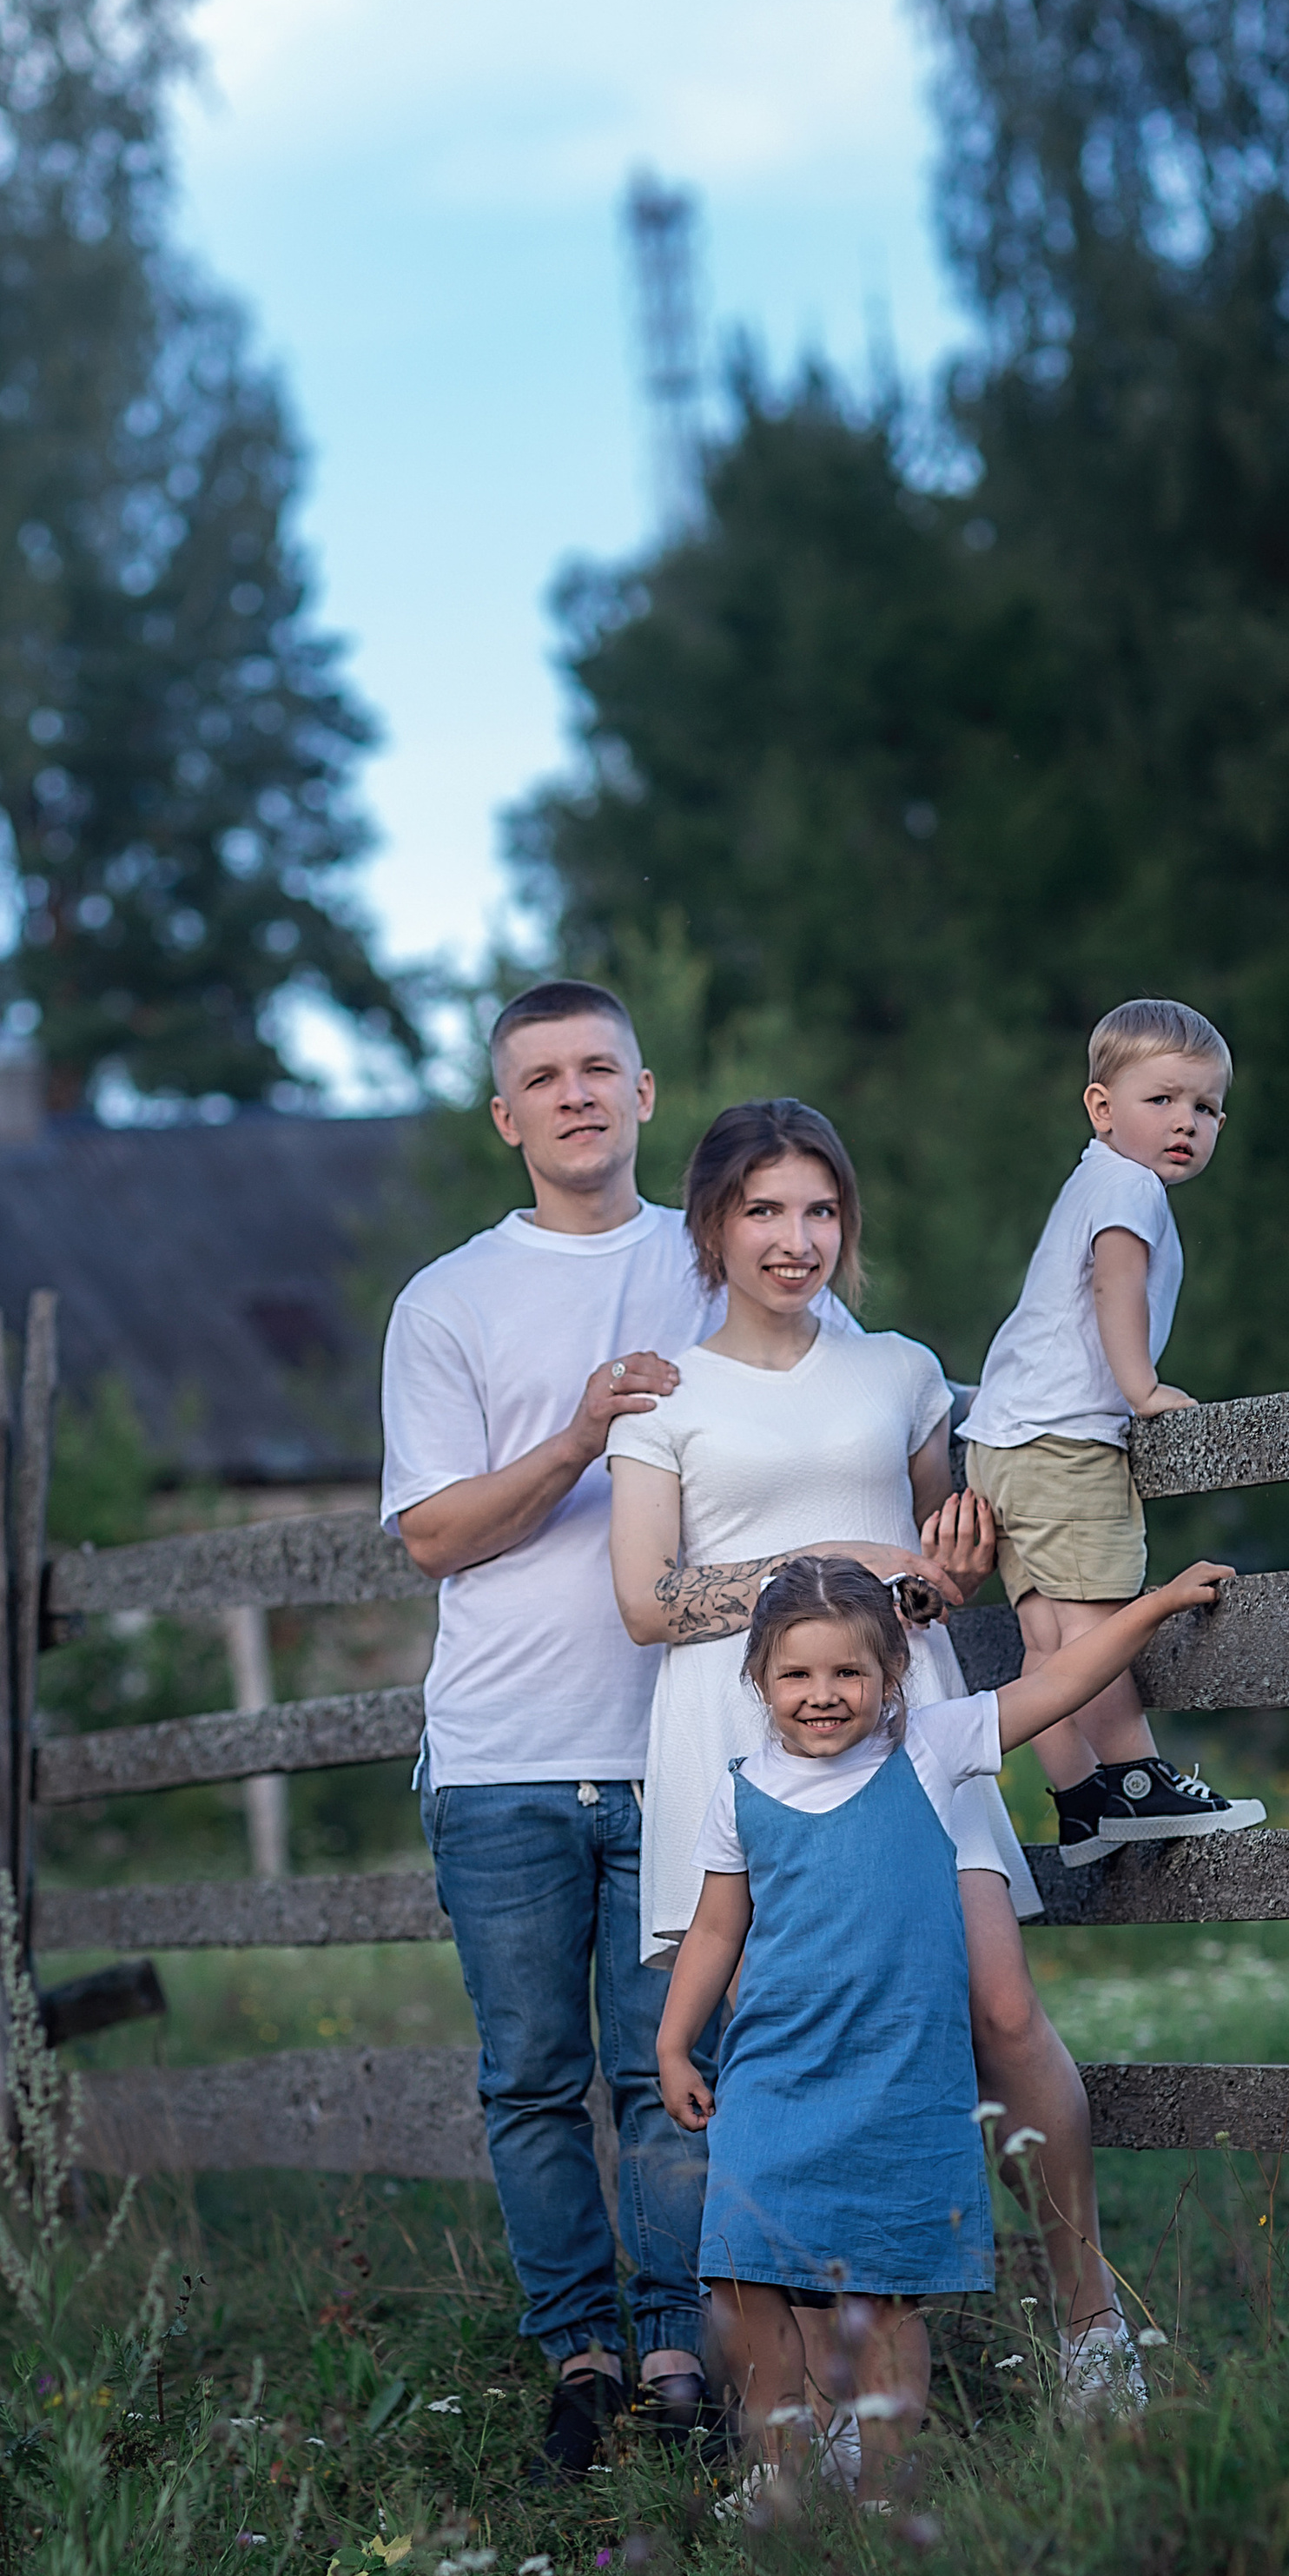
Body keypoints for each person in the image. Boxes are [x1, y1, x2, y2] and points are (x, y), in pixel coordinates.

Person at [606, 1097, 1147, 2419]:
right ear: (712, 1228)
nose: (794, 1240)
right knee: (781, 2064)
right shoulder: (665, 1401)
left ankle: (1093, 2326)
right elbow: (645, 1599)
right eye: (763, 1211)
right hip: (736, 1737)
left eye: (819, 1211)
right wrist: (835, 1574)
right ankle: (810, 2406)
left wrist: (945, 1576)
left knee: (1002, 2014)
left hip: (907, 1738)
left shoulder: (903, 1371)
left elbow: (934, 1569)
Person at [656, 1550, 1236, 2506]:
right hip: (772, 2077)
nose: (823, 1696)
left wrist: (1157, 1604)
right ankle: (781, 2474)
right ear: (759, 1679)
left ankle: (881, 2494)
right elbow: (717, 1927)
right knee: (740, 2279)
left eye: (849, 1672)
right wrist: (677, 2043)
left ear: (891, 1675)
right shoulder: (739, 1789)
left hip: (895, 2081)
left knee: (878, 2295)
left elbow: (1058, 1682)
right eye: (796, 1675)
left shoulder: (928, 1749)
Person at [380, 979, 724, 2480]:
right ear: (508, 1117)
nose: (577, 1094)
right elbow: (434, 1537)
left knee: (670, 2068)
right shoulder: (447, 1301)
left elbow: (847, 1408)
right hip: (505, 1755)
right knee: (531, 2075)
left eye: (602, 1068)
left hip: (683, 1742)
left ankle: (681, 2353)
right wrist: (583, 1434)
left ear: (646, 1095)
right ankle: (577, 2355)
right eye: (545, 1077)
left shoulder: (722, 1263)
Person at [960, 997, 1266, 1865]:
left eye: (1205, 1109)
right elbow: (1114, 1284)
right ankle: (1136, 1780)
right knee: (1098, 1630)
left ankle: (1082, 1801)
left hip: (1004, 1441)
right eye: (1162, 1100)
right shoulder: (1127, 1188)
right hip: (1065, 1440)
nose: (1186, 1124)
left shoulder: (1092, 1179)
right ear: (1101, 1107)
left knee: (1045, 1640)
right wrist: (1142, 1388)